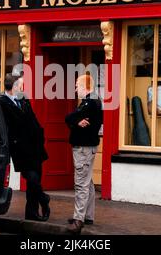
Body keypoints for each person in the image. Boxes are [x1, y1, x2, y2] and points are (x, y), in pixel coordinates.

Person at [0, 73, 50, 221]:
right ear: (14, 86)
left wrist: (40, 136)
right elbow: (7, 126)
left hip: (35, 146)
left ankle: (32, 213)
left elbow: (33, 118)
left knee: (36, 178)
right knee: (31, 177)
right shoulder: (1, 102)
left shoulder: (23, 98)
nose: (22, 86)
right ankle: (44, 198)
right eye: (20, 84)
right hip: (19, 148)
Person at [65, 74, 103, 234]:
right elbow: (74, 118)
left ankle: (78, 219)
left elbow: (69, 117)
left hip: (83, 148)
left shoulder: (89, 103)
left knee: (81, 183)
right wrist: (75, 121)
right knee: (88, 181)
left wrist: (73, 120)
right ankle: (88, 215)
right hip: (88, 147)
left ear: (84, 86)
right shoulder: (93, 101)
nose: (75, 89)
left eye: (76, 86)